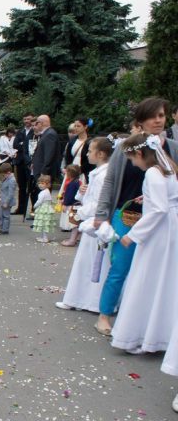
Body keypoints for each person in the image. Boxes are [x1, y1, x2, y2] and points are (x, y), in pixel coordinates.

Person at [93, 97, 178, 335]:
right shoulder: (126, 147)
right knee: (120, 265)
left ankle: (150, 320)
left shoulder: (172, 147)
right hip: (128, 214)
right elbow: (111, 180)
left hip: (161, 220)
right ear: (141, 121)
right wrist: (102, 213)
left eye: (162, 115)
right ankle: (105, 314)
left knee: (157, 271)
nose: (159, 120)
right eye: (153, 116)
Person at [109, 133, 178, 356]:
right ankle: (155, 333)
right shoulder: (167, 166)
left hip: (159, 233)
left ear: (139, 153)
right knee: (163, 280)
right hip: (170, 228)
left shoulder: (152, 172)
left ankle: (139, 335)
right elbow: (166, 199)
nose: (133, 164)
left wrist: (134, 235)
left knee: (146, 278)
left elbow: (159, 208)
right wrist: (145, 197)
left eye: (132, 159)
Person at [56, 137, 113, 315]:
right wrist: (83, 194)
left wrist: (79, 212)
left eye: (90, 151)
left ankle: (91, 300)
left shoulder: (104, 175)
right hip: (92, 221)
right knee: (87, 261)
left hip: (95, 222)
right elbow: (92, 196)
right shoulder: (98, 172)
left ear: (101, 154)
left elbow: (100, 202)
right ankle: (80, 297)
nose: (87, 154)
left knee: (94, 262)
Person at [30, 115, 62, 207]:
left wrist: (44, 172)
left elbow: (49, 155)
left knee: (43, 196)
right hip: (40, 169)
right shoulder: (47, 133)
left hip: (44, 172)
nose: (35, 125)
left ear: (42, 123)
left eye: (37, 123)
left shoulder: (50, 134)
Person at [12, 113, 35, 217]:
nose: (26, 121)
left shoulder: (34, 131)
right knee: (21, 186)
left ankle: (33, 209)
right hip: (20, 162)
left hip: (30, 162)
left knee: (32, 186)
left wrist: (23, 144)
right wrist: (24, 145)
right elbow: (15, 144)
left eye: (28, 119)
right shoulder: (20, 131)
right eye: (25, 119)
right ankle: (21, 208)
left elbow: (32, 146)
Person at [59, 164, 83, 246]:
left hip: (72, 206)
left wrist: (65, 204)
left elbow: (69, 196)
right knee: (77, 223)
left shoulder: (71, 184)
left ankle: (72, 240)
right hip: (78, 205)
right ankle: (76, 238)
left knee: (73, 224)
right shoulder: (79, 182)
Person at [32, 174, 55, 243]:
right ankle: (43, 237)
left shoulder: (42, 193)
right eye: (39, 183)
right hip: (47, 208)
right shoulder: (47, 191)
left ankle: (45, 238)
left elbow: (39, 201)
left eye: (43, 183)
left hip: (43, 209)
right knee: (44, 223)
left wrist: (34, 206)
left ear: (47, 184)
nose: (40, 185)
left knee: (43, 223)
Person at [0, 162, 16, 235]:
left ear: (8, 172)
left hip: (7, 202)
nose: (3, 176)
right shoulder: (7, 178)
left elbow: (11, 193)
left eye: (4, 174)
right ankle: (1, 227)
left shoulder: (11, 180)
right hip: (3, 200)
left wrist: (6, 202)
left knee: (6, 216)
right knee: (0, 215)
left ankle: (5, 229)